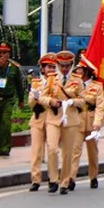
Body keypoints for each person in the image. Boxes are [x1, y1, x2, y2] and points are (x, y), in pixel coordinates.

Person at [38, 50, 85, 194]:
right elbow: (41, 97)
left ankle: (64, 182)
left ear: (71, 65)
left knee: (67, 153)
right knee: (52, 149)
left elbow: (83, 101)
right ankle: (53, 179)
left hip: (70, 120)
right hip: (53, 117)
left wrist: (72, 101)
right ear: (57, 65)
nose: (64, 68)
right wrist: (51, 101)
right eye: (62, 65)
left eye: (67, 65)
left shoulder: (77, 80)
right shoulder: (52, 79)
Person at [69, 57, 104, 190]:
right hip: (77, 121)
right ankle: (71, 178)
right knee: (75, 151)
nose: (78, 71)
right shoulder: (73, 85)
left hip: (91, 122)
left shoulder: (97, 87)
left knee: (92, 152)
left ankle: (94, 176)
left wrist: (97, 123)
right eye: (77, 69)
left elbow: (100, 107)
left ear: (87, 71)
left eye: (80, 69)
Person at [27, 53, 56, 191]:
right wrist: (36, 98)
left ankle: (52, 178)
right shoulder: (36, 83)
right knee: (36, 151)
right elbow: (31, 102)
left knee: (52, 149)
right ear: (42, 68)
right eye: (48, 67)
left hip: (52, 118)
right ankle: (35, 179)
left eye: (53, 67)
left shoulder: (57, 82)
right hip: (38, 118)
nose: (51, 70)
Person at [0, 42, 25, 156]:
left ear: (9, 54)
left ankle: (5, 148)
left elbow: (19, 85)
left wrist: (21, 100)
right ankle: (0, 147)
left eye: (5, 52)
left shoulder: (14, 68)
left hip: (8, 99)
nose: (2, 55)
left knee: (5, 123)